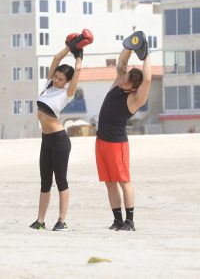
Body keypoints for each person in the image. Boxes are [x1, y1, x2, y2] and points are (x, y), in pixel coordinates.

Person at [30, 29, 93, 231]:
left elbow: (79, 72)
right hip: (46, 140)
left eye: (60, 79)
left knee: (61, 181)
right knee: (45, 182)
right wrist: (71, 46)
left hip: (59, 140)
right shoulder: (48, 85)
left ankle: (61, 221)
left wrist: (79, 55)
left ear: (66, 82)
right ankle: (40, 220)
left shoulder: (66, 94)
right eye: (56, 76)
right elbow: (57, 58)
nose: (56, 80)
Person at [95, 31, 152, 231]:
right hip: (100, 141)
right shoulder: (118, 83)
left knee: (124, 182)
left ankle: (130, 221)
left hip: (116, 144)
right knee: (109, 182)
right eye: (124, 77)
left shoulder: (135, 100)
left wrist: (145, 56)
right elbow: (121, 63)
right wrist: (129, 47)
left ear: (132, 88)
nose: (122, 80)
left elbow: (147, 80)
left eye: (126, 81)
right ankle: (117, 220)